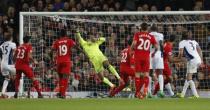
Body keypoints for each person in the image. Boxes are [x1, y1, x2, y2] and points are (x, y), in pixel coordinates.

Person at [131, 23, 158, 99]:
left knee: (137, 75)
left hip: (138, 57)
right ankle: (145, 90)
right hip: (146, 57)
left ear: (141, 28)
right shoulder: (151, 36)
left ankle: (137, 93)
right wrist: (153, 53)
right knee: (146, 74)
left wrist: (132, 48)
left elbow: (134, 44)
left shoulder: (137, 34)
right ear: (147, 29)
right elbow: (156, 47)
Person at [177, 31, 203, 98]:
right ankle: (182, 94)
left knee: (189, 78)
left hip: (192, 60)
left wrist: (178, 60)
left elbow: (180, 53)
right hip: (197, 59)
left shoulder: (182, 42)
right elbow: (199, 50)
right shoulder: (194, 41)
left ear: (182, 36)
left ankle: (196, 95)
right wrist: (201, 60)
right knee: (188, 76)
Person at [52, 29, 76, 98]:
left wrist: (52, 59)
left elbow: (52, 50)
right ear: (66, 34)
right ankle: (63, 94)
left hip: (59, 62)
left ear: (60, 34)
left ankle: (60, 93)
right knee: (65, 78)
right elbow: (76, 46)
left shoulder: (57, 42)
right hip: (66, 61)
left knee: (60, 78)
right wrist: (83, 52)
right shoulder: (69, 40)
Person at [149, 24, 165, 97]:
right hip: (158, 54)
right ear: (157, 29)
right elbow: (161, 44)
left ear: (151, 29)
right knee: (160, 72)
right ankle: (161, 91)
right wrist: (162, 52)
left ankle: (148, 92)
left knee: (150, 73)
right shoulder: (160, 35)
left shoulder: (148, 34)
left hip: (150, 54)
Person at [0, 30, 16, 98]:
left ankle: (3, 93)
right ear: (11, 38)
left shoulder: (1, 45)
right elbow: (16, 52)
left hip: (2, 64)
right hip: (9, 64)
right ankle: (18, 93)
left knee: (7, 78)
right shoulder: (12, 44)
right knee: (20, 75)